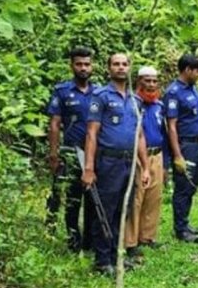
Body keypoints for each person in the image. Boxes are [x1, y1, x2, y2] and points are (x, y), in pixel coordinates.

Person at [82, 53, 150, 275]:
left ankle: (115, 256)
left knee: (124, 209)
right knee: (106, 209)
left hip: (129, 163)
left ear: (130, 68)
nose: (121, 68)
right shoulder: (100, 96)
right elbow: (92, 134)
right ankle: (102, 261)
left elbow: (139, 135)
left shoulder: (136, 100)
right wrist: (89, 168)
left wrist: (145, 166)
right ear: (109, 68)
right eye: (116, 64)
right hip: (107, 161)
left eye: (124, 64)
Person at [46, 46, 98, 253]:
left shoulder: (99, 92)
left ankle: (90, 241)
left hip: (94, 154)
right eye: (79, 64)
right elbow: (54, 124)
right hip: (70, 152)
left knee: (93, 199)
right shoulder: (62, 91)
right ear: (72, 66)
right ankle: (73, 240)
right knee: (72, 198)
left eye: (87, 64)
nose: (83, 68)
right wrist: (53, 154)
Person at [164, 54, 198, 243]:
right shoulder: (174, 92)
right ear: (188, 70)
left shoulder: (194, 89)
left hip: (197, 144)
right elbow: (171, 125)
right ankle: (180, 229)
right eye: (197, 71)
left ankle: (185, 222)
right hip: (185, 144)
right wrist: (178, 155)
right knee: (183, 187)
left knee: (191, 186)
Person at [124, 66, 165, 260]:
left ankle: (147, 236)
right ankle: (130, 242)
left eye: (154, 81)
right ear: (138, 82)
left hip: (157, 155)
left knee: (154, 197)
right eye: (147, 81)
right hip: (138, 157)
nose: (151, 84)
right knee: (136, 198)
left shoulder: (159, 106)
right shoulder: (132, 103)